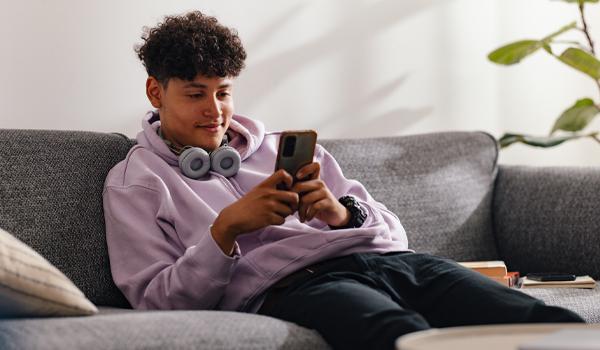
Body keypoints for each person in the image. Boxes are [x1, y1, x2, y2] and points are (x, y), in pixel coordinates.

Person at [102, 11, 585, 350]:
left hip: (394, 264)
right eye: (195, 94)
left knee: (549, 324)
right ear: (155, 91)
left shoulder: (279, 147)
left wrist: (339, 212)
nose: (215, 111)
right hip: (300, 288)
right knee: (405, 337)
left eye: (224, 92)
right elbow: (156, 300)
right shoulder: (135, 183)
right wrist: (224, 230)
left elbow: (396, 235)